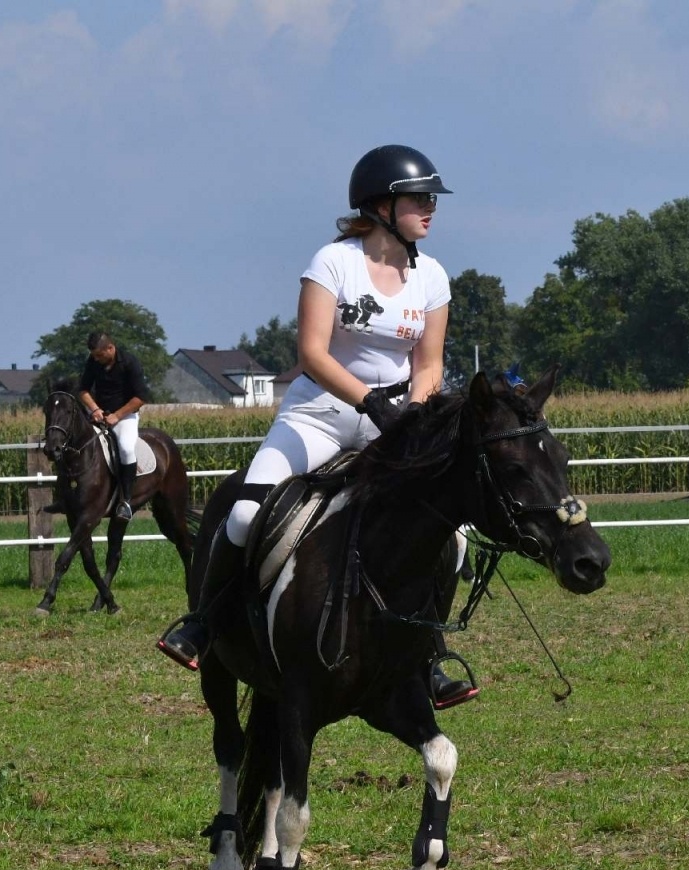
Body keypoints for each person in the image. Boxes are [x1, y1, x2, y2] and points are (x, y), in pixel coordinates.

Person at [158, 144, 479, 709]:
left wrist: (409, 415)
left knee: (450, 537)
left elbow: (428, 363)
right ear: (382, 205)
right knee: (245, 512)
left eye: (432, 199)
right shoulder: (334, 263)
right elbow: (311, 353)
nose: (431, 208)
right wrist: (369, 402)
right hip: (320, 414)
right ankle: (204, 622)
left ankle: (428, 657)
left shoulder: (432, 277)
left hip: (394, 425)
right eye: (420, 198)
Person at [46, 331, 147, 519]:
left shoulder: (130, 362)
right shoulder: (93, 362)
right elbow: (83, 390)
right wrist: (94, 409)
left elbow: (140, 397)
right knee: (71, 443)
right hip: (99, 416)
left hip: (125, 417)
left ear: (110, 348)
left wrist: (117, 416)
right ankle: (63, 496)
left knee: (125, 448)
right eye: (94, 356)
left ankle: (125, 501)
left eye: (99, 355)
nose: (97, 359)